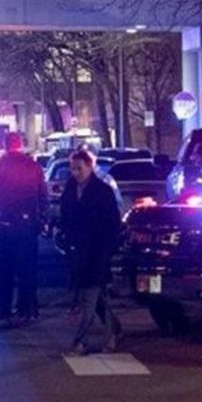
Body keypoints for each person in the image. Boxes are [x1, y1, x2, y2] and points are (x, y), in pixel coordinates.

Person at [59, 149, 123, 355]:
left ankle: (80, 342)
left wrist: (107, 250)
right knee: (97, 300)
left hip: (97, 252)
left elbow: (112, 224)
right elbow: (65, 215)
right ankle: (114, 332)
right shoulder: (70, 188)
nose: (75, 173)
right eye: (73, 169)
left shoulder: (102, 191)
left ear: (90, 167)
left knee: (89, 298)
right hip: (77, 251)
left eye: (79, 168)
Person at [0, 133, 48, 327]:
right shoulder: (33, 166)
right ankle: (27, 309)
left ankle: (4, 310)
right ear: (21, 144)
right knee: (27, 270)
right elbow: (42, 196)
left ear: (5, 145)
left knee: (5, 271)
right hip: (27, 227)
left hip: (4, 226)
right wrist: (39, 220)